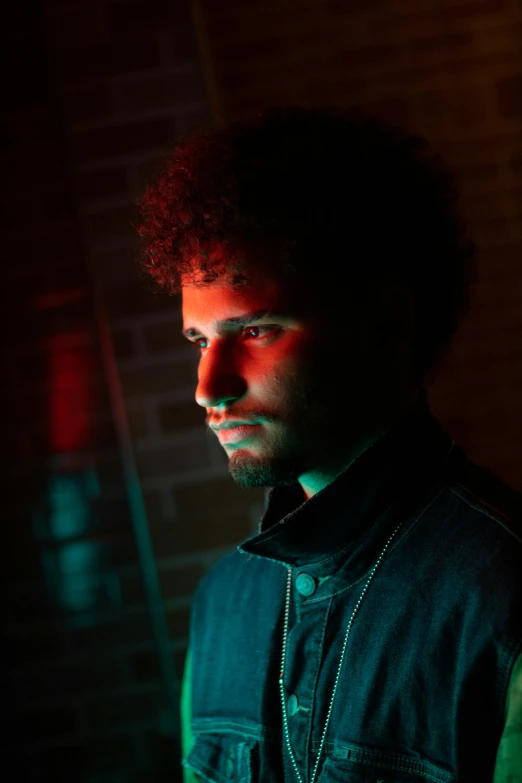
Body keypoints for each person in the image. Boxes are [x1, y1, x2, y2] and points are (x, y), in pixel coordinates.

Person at [136, 106, 522, 783]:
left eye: (255, 331)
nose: (209, 387)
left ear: (385, 322)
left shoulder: (505, 591)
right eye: (200, 339)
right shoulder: (223, 602)